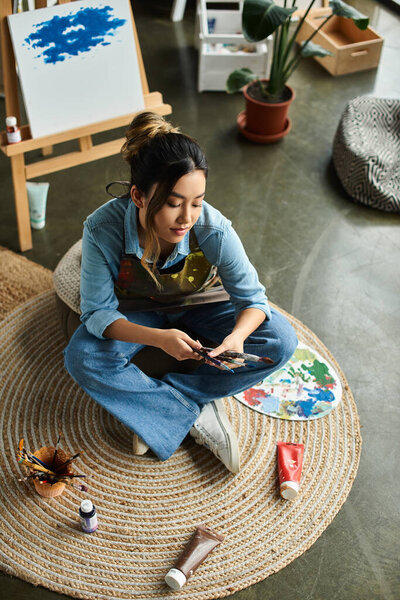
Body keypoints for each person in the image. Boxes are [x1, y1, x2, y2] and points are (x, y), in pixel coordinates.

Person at [64, 112, 297, 474]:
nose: (187, 217)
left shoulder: (214, 229)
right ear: (139, 196)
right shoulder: (101, 229)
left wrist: (236, 338)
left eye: (197, 201)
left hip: (205, 305)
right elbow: (97, 314)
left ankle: (170, 402)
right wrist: (158, 338)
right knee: (82, 357)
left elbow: (253, 301)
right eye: (174, 203)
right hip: (138, 311)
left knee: (280, 341)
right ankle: (191, 412)